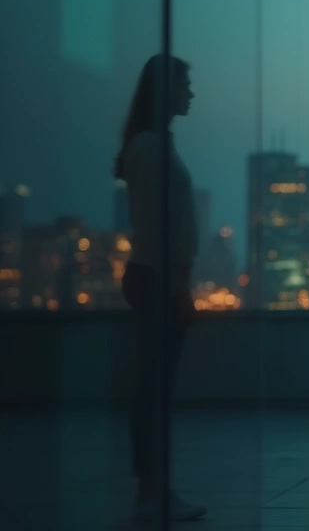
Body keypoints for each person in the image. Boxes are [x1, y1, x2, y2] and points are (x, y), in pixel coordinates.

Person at [115, 54, 207, 522]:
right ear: (164, 90)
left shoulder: (155, 144)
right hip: (158, 277)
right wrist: (178, 285)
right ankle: (152, 493)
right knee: (154, 390)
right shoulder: (151, 147)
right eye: (184, 85)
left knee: (155, 388)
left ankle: (153, 492)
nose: (190, 94)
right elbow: (155, 226)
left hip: (159, 275)